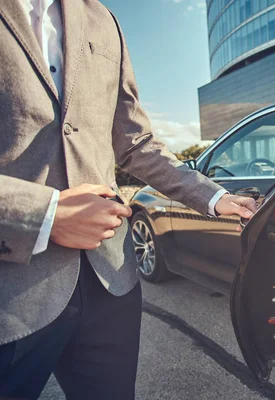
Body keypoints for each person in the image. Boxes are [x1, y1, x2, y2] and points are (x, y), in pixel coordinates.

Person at [0, 1, 256, 399]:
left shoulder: (104, 20)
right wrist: (42, 215)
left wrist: (214, 196)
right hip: (10, 292)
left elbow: (136, 141)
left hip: (111, 282)